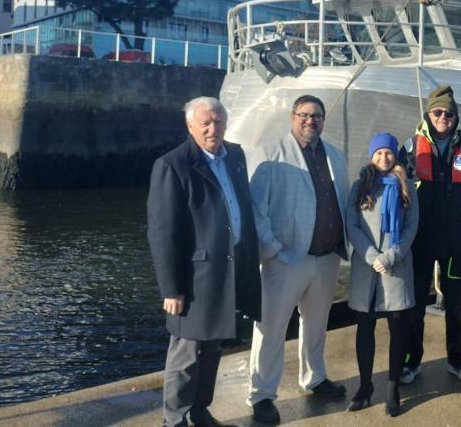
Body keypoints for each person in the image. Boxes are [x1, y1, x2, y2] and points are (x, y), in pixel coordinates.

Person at [148, 96, 262, 427]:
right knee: (186, 354)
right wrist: (171, 288)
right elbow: (162, 232)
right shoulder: (173, 165)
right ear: (190, 127)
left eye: (219, 122)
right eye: (206, 123)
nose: (214, 129)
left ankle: (200, 410)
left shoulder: (235, 156)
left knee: (213, 348)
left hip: (229, 267)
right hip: (195, 277)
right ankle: (176, 419)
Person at [246, 95, 349, 425]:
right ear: (292, 117)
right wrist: (272, 251)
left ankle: (314, 377)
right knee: (271, 329)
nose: (311, 120)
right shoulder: (271, 154)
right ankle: (261, 394)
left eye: (316, 115)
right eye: (304, 115)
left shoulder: (334, 155)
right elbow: (255, 209)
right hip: (286, 259)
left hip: (327, 256)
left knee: (316, 324)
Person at [399, 85, 461, 384]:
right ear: (428, 113)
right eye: (437, 112)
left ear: (455, 117)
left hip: (457, 241)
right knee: (413, 307)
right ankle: (411, 361)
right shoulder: (409, 149)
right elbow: (395, 193)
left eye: (449, 113)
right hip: (420, 240)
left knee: (458, 305)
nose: (443, 118)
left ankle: (459, 359)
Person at [345, 133, 420, 417]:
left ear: (395, 156)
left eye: (388, 153)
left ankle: (392, 388)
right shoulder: (360, 186)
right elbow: (351, 223)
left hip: (396, 266)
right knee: (365, 328)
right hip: (367, 268)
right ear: (371, 156)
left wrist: (391, 255)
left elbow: (412, 225)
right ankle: (365, 387)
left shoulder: (406, 186)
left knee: (397, 327)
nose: (384, 158)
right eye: (379, 154)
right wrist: (371, 256)